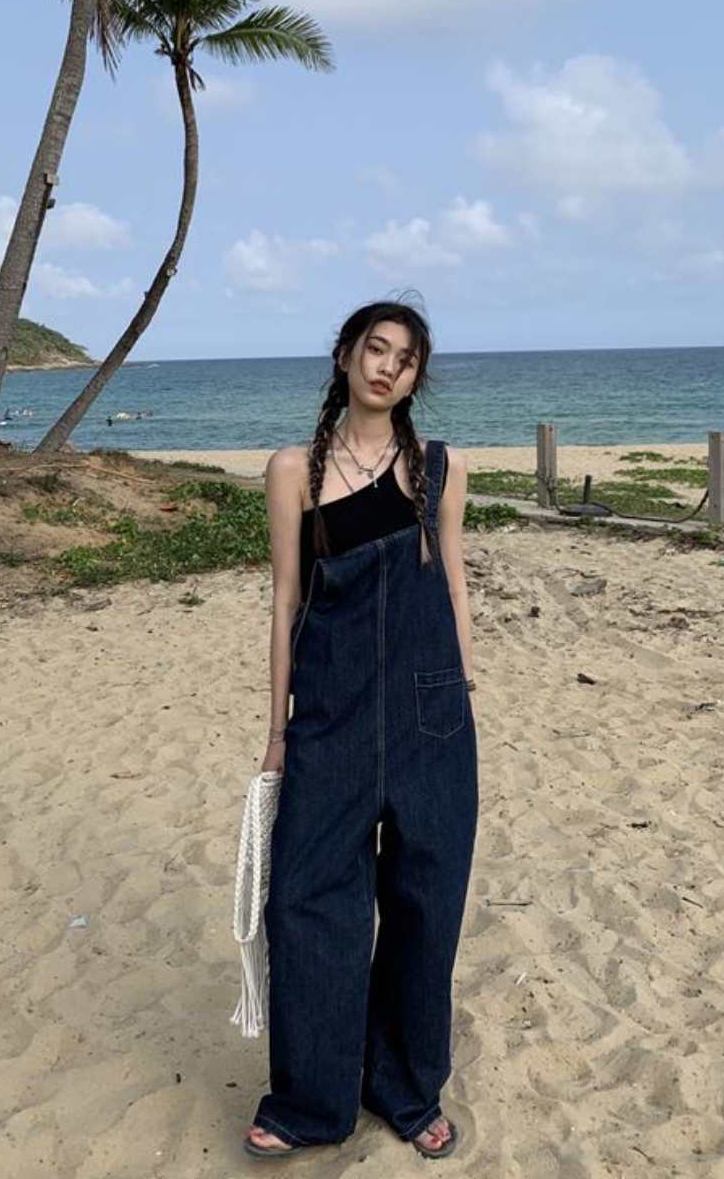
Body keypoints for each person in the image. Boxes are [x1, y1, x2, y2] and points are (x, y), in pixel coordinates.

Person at [245, 300, 478, 1161]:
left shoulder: (440, 468)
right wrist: (279, 730)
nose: (387, 367)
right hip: (329, 716)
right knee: (306, 903)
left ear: (416, 379)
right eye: (375, 349)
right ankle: (311, 1102)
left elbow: (454, 582)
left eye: (405, 359)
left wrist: (462, 693)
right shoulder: (291, 470)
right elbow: (285, 602)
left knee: (425, 907)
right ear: (345, 355)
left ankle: (406, 1089)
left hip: (430, 715)